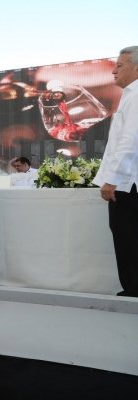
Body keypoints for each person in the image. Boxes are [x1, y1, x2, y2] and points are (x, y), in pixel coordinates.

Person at [92, 45, 138, 297]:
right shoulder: (131, 95)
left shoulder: (136, 95)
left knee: (127, 238)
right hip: (129, 182)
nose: (113, 70)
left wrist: (113, 179)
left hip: (128, 185)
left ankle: (133, 292)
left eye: (120, 65)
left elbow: (129, 141)